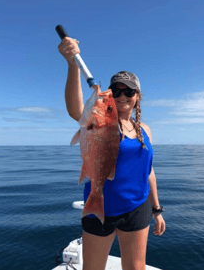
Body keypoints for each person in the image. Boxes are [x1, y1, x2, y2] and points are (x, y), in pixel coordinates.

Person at [58, 37, 166, 270]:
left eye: (129, 90)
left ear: (137, 96)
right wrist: (72, 65)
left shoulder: (144, 130)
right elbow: (76, 109)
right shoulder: (104, 123)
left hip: (138, 208)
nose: (122, 94)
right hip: (100, 208)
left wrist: (157, 210)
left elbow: (149, 172)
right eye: (116, 90)